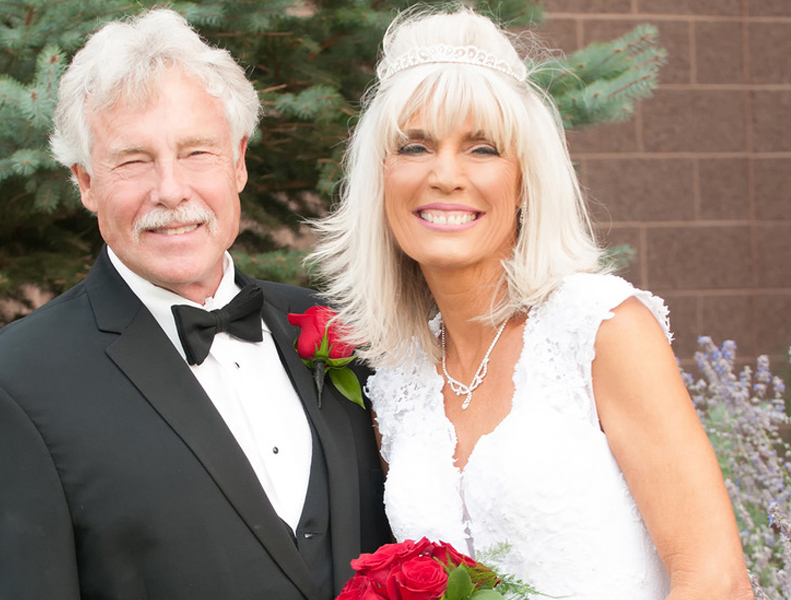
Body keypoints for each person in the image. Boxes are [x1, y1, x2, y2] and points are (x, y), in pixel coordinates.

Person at [0, 9, 389, 600]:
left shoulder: (341, 328)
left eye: (197, 152)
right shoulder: (3, 390)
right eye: (133, 160)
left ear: (239, 160)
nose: (171, 190)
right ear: (86, 182)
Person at [311, 6, 753, 600]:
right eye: (414, 147)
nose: (444, 175)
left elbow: (715, 578)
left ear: (524, 180)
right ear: (380, 180)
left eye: (482, 148)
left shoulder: (599, 328)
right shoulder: (396, 380)